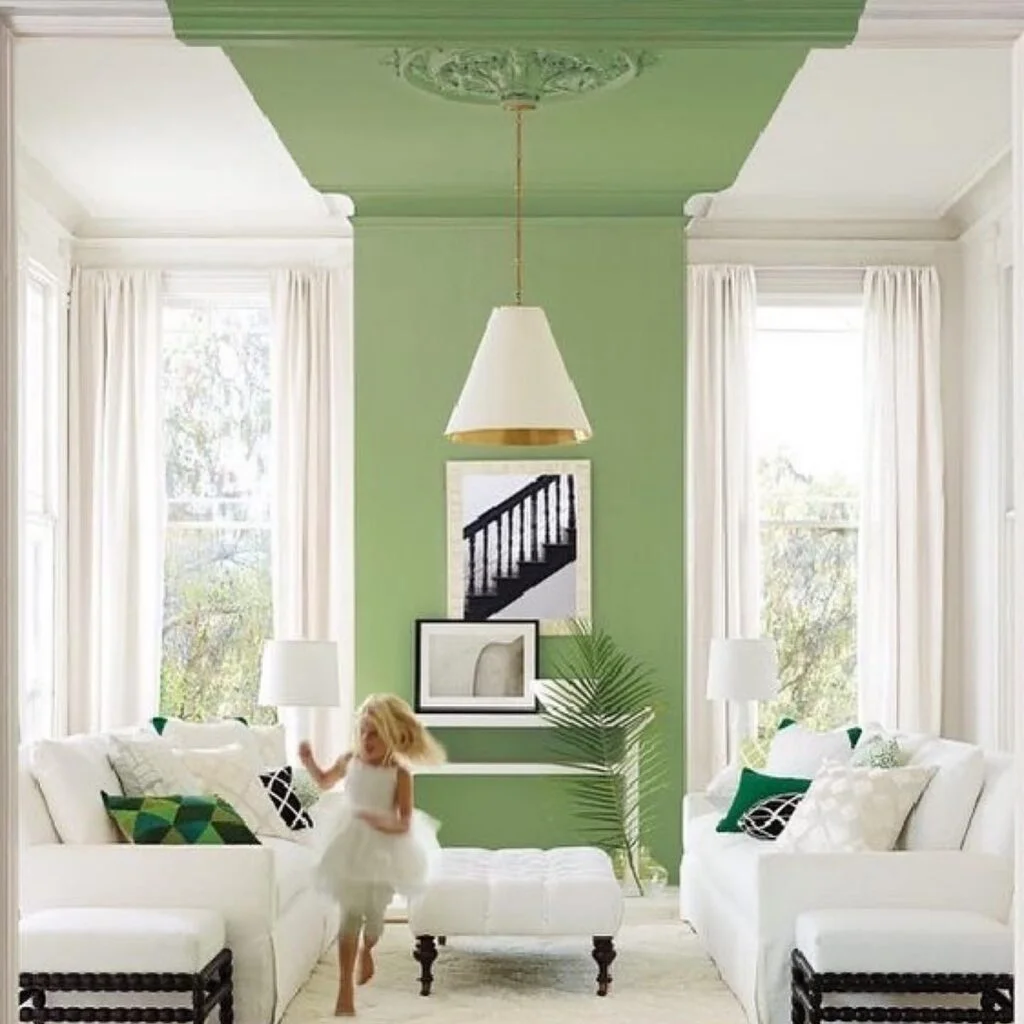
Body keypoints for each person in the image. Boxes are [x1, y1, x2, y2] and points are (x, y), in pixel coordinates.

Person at [298, 694, 445, 1016]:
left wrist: (382, 820)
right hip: (350, 843)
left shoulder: (400, 773)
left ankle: (369, 947)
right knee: (350, 913)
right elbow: (325, 782)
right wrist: (308, 761)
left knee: (375, 918)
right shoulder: (350, 760)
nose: (367, 739)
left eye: (375, 733)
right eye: (363, 731)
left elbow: (405, 821)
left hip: (386, 848)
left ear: (392, 734)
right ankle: (344, 990)